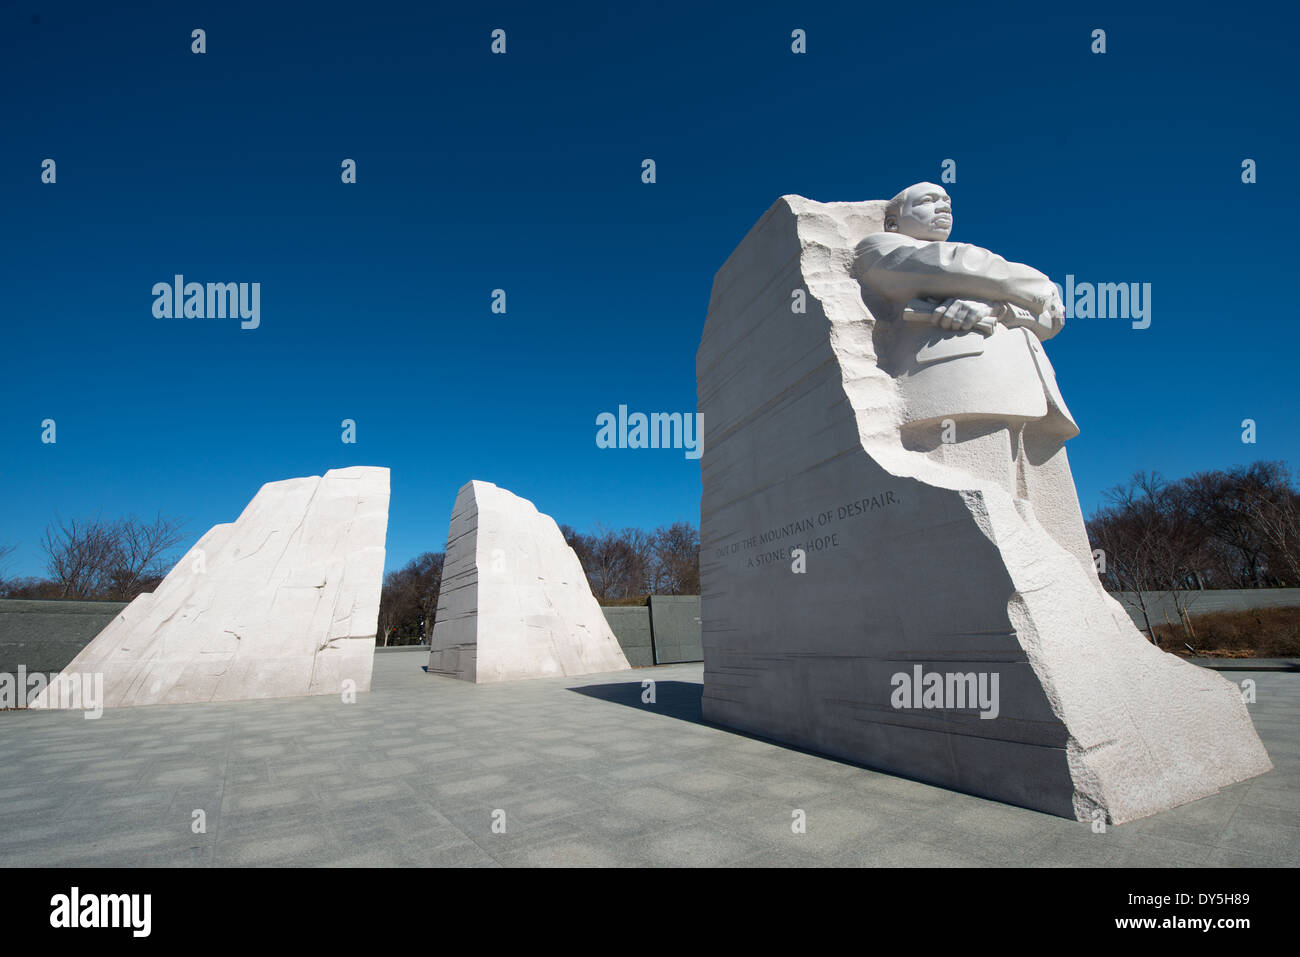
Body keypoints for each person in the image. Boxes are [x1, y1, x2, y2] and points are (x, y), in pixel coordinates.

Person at [853, 182, 1091, 571]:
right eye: (928, 200)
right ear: (894, 220)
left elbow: (1053, 314)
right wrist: (1029, 288)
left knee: (1051, 525)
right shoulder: (879, 247)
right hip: (960, 389)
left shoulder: (982, 278)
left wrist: (994, 305)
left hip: (1030, 392)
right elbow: (952, 264)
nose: (943, 205)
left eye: (947, 200)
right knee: (981, 528)